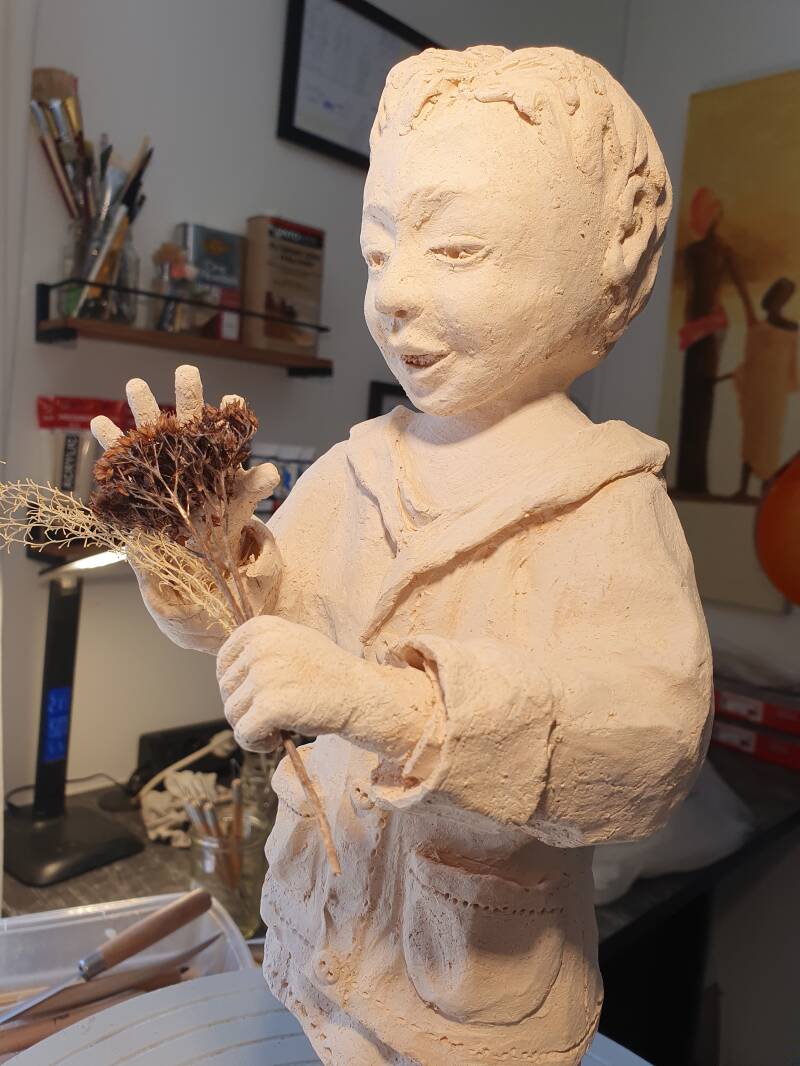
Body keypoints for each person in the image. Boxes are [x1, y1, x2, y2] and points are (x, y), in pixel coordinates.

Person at [93, 47, 711, 1066]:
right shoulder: (358, 467)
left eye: (456, 249)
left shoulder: (604, 505)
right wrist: (196, 555)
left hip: (470, 1007)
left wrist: (390, 707)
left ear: (603, 262)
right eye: (379, 254)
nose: (396, 296)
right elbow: (261, 621)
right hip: (310, 956)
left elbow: (646, 748)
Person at [676, 186, 756, 494]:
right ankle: (689, 479)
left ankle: (697, 481)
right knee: (692, 395)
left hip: (713, 328)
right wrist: (688, 326)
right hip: (696, 329)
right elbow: (690, 293)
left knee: (703, 394)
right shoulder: (693, 252)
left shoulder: (723, 250)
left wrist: (752, 318)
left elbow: (741, 288)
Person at [733, 277, 799, 498]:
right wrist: (740, 377)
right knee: (751, 439)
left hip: (776, 392)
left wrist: (789, 383)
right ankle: (743, 488)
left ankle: (766, 489)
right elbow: (750, 361)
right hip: (756, 391)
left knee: (770, 439)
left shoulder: (791, 328)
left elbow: (791, 361)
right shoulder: (758, 329)